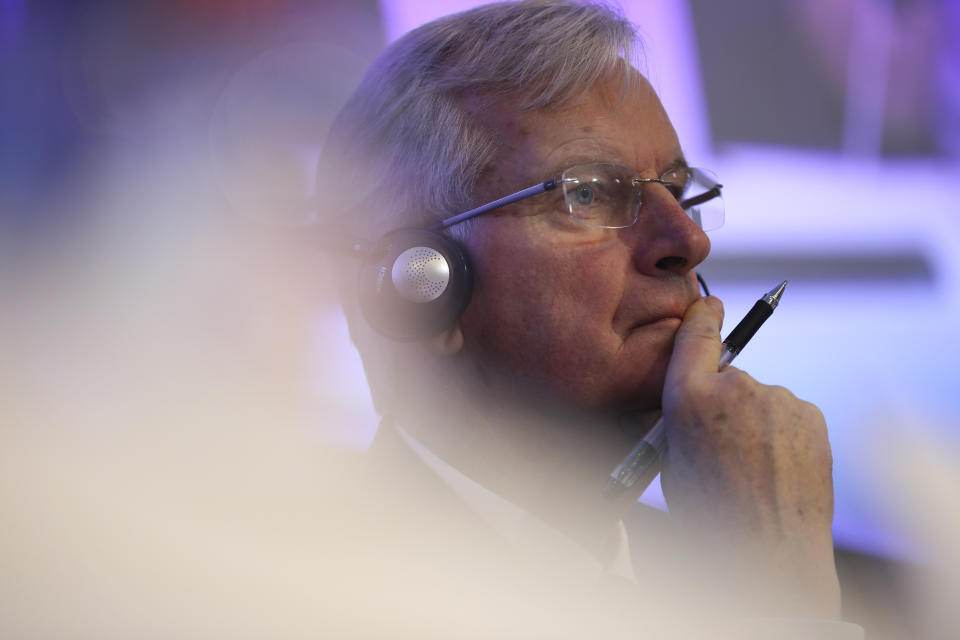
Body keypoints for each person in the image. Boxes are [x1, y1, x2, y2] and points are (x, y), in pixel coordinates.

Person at [317, 1, 863, 636]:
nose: (687, 240)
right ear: (420, 285)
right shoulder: (311, 594)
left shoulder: (741, 568)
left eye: (678, 191)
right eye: (586, 193)